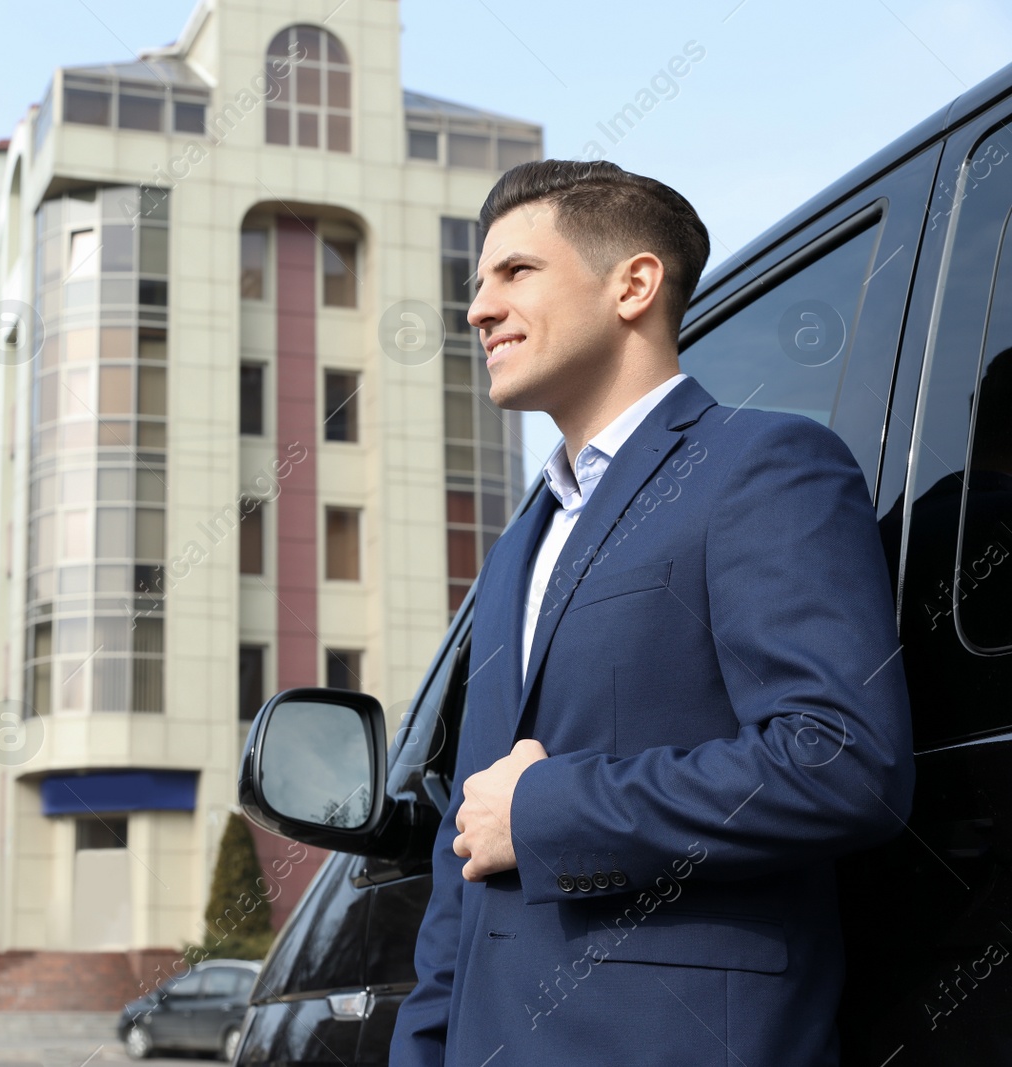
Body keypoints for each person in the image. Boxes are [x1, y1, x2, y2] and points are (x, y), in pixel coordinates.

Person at [388, 160, 914, 1067]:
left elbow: (843, 761)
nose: (477, 308)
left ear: (633, 283)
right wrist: (427, 1047)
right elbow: (467, 839)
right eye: (478, 282)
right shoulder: (519, 542)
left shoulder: (766, 466)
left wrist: (549, 810)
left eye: (515, 273)